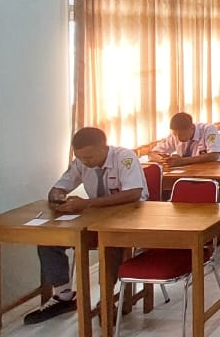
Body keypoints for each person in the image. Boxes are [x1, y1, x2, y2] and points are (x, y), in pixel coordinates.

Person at [24, 128, 146, 325]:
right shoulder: (80, 162)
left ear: (104, 148)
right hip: (98, 216)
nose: (86, 161)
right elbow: (59, 186)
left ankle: (106, 300)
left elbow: (133, 193)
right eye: (80, 157)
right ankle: (63, 295)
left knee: (110, 242)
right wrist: (57, 196)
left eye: (89, 156)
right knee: (49, 239)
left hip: (131, 216)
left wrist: (87, 204)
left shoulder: (124, 157)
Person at [153, 113, 220, 166]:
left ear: (192, 128)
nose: (178, 138)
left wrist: (182, 161)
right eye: (175, 135)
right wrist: (164, 159)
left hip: (214, 170)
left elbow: (214, 155)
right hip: (190, 172)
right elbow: (153, 153)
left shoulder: (208, 129)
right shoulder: (175, 135)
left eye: (182, 135)